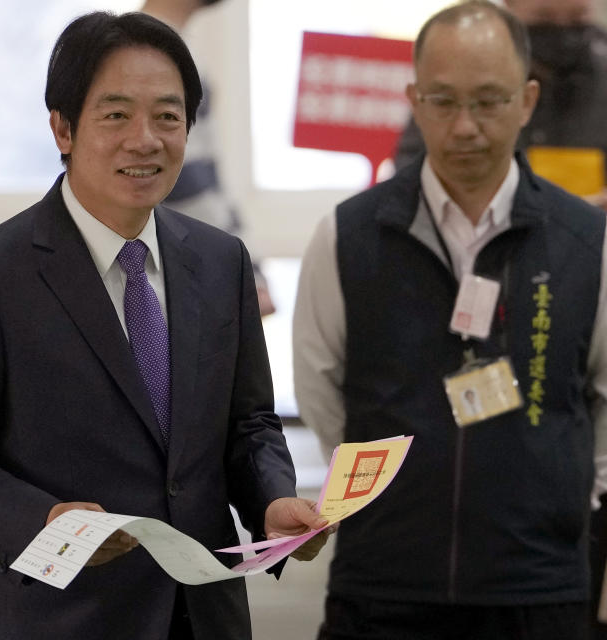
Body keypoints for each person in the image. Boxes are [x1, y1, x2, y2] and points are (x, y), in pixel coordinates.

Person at [0, 11, 327, 640]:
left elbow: (248, 422)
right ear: (63, 128)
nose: (145, 139)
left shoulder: (219, 261)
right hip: (59, 615)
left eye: (168, 116)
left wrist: (272, 498)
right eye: (116, 115)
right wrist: (37, 520)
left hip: (204, 614)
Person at [293, 2, 607, 638]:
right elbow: (320, 387)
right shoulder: (348, 235)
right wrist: (382, 498)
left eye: (489, 102)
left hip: (540, 589)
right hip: (382, 586)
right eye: (443, 101)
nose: (465, 127)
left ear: (527, 100)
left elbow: (602, 393)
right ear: (413, 98)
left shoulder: (585, 238)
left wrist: (566, 498)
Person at [394, 0, 607, 206]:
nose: (562, 31)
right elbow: (412, 173)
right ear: (510, 6)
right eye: (544, 17)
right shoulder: (465, 66)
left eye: (577, 18)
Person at [141, 0, 276, 316]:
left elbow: (208, 174)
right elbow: (182, 178)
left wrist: (246, 263)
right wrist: (238, 270)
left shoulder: (172, 44)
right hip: (179, 271)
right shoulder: (151, 50)